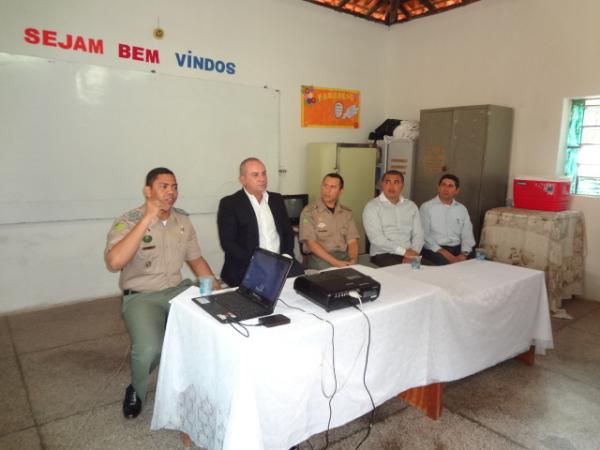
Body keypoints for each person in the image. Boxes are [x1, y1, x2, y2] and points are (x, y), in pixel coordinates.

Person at [105, 167, 219, 419]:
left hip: (177, 290)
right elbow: (114, 262)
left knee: (216, 327)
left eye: (175, 186)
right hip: (142, 295)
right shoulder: (129, 220)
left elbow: (196, 260)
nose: (171, 192)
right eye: (164, 186)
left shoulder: (182, 220)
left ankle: (204, 385)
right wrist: (147, 218)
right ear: (148, 190)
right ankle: (136, 387)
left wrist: (217, 289)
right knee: (149, 349)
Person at [217, 157, 303, 286]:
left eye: (264, 173)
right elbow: (228, 243)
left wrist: (286, 256)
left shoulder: (276, 199)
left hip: (279, 264)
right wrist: (257, 262)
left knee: (302, 289)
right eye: (255, 175)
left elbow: (287, 233)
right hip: (248, 266)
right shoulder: (230, 203)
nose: (262, 178)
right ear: (242, 180)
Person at [362, 170, 424, 267]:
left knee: (425, 272)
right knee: (404, 273)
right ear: (382, 184)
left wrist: (414, 252)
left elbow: (419, 234)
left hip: (411, 253)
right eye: (387, 182)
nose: (391, 186)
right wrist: (404, 252)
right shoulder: (372, 207)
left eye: (396, 182)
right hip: (383, 254)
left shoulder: (411, 206)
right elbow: (377, 239)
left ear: (402, 185)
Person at [299, 173, 359, 270]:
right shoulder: (309, 212)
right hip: (320, 258)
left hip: (343, 256)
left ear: (340, 191)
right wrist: (337, 263)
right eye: (325, 186)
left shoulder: (346, 213)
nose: (327, 190)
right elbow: (311, 243)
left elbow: (352, 241)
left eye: (333, 187)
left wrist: (352, 260)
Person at [419, 173, 476, 265]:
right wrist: (443, 252)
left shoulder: (462, 209)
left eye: (450, 186)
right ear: (438, 187)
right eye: (443, 185)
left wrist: (463, 254)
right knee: (445, 264)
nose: (446, 189)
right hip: (435, 249)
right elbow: (424, 235)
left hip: (458, 248)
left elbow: (467, 233)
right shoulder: (427, 207)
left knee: (476, 261)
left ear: (457, 190)